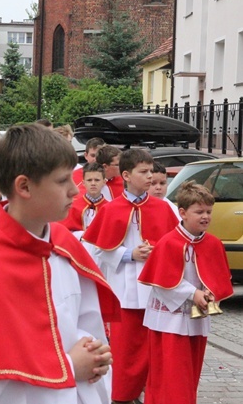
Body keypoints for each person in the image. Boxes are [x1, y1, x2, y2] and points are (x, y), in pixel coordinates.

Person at [0, 124, 119, 403]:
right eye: (63, 181)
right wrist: (68, 367)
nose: (74, 191)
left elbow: (86, 320)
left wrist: (96, 356)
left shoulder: (64, 246)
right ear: (24, 186)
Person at [82, 148, 179, 404]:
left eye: (152, 172)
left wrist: (158, 250)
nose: (150, 177)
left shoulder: (163, 208)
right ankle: (123, 396)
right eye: (143, 172)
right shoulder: (111, 209)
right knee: (125, 350)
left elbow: (176, 244)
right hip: (124, 288)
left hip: (155, 290)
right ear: (126, 174)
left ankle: (152, 394)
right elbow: (97, 250)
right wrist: (128, 254)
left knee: (153, 347)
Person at [139, 181, 233, 404]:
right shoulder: (168, 243)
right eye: (199, 211)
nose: (205, 216)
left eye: (209, 211)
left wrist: (210, 293)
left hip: (198, 318)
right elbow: (161, 282)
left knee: (190, 375)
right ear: (182, 212)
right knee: (171, 377)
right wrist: (193, 294)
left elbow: (217, 278)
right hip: (170, 321)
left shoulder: (212, 243)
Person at [60, 162, 107, 239]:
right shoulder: (72, 206)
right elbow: (63, 232)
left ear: (104, 182)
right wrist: (82, 234)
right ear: (83, 183)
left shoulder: (109, 208)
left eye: (97, 180)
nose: (93, 183)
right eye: (89, 180)